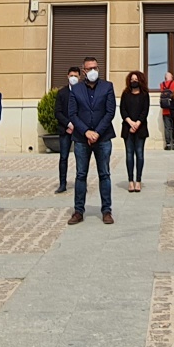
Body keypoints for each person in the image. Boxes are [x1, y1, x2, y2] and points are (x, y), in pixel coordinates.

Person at [67, 56, 117, 225]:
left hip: (103, 138)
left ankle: (107, 211)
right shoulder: (76, 89)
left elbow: (110, 112)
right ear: (83, 71)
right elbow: (72, 114)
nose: (93, 71)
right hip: (81, 139)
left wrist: (97, 132)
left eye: (96, 67)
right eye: (90, 68)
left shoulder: (107, 87)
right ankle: (78, 211)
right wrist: (86, 132)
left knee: (105, 174)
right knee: (81, 175)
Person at [121, 70, 150, 193]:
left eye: (136, 79)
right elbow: (123, 110)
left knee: (139, 154)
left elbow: (145, 110)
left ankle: (138, 180)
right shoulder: (125, 94)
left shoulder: (144, 94)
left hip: (141, 128)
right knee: (129, 155)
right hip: (128, 128)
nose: (134, 81)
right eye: (132, 79)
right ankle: (130, 181)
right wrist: (130, 122)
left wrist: (137, 123)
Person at [54, 65, 80, 194]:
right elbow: (57, 112)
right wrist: (69, 124)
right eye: (71, 76)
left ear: (79, 77)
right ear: (67, 77)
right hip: (65, 130)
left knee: (80, 157)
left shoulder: (83, 91)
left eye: (76, 76)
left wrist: (76, 125)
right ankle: (62, 184)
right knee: (63, 157)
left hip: (79, 130)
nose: (73, 78)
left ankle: (80, 183)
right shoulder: (62, 92)